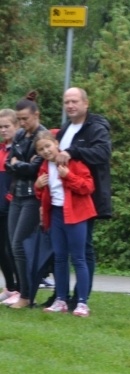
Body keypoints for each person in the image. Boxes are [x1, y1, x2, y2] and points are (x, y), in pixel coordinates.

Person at [55, 87, 112, 308]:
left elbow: (102, 154)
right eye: (67, 102)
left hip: (88, 196)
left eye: (74, 101)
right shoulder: (65, 129)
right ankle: (61, 296)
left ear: (86, 104)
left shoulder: (96, 128)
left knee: (84, 248)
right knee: (62, 251)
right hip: (63, 198)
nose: (70, 106)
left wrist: (74, 152)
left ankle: (81, 297)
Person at [32, 131, 96, 316]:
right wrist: (38, 186)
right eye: (41, 149)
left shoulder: (71, 162)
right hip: (57, 214)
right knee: (60, 258)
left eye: (48, 146)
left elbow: (88, 186)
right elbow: (43, 195)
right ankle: (61, 299)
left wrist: (68, 176)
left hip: (76, 213)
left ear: (56, 143)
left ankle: (82, 303)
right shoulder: (44, 167)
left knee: (78, 258)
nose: (45, 151)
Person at [5, 93, 47, 309]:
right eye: (19, 119)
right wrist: (19, 163)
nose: (21, 123)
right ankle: (23, 291)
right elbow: (8, 161)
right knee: (14, 245)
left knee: (19, 244)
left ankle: (27, 295)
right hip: (17, 194)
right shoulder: (20, 135)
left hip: (33, 197)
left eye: (25, 119)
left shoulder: (43, 135)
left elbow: (35, 168)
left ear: (36, 115)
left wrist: (18, 163)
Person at [0, 109, 20, 304]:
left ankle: (20, 289)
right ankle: (10, 287)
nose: (3, 130)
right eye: (1, 127)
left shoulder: (18, 149)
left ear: (16, 126)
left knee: (12, 248)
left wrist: (9, 196)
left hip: (11, 204)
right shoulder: (1, 149)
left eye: (7, 126)